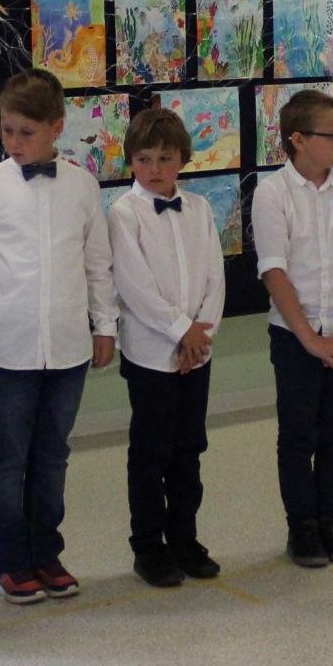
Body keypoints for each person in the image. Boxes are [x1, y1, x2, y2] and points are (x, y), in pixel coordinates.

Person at [0, 68, 117, 603]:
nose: (14, 142)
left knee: (52, 454)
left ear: (56, 128)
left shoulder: (82, 186)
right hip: (7, 347)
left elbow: (97, 263)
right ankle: (9, 563)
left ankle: (46, 553)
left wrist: (105, 324)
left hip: (67, 347)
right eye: (7, 130)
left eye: (26, 132)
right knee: (8, 455)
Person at [253, 89, 333, 568]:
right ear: (299, 140)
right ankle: (302, 525)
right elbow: (274, 270)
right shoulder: (273, 193)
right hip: (295, 336)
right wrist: (310, 338)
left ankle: (330, 518)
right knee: (298, 434)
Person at [108, 108, 226, 588]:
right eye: (143, 159)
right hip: (150, 353)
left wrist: (201, 335)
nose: (154, 168)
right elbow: (134, 286)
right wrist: (181, 331)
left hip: (197, 353)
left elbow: (215, 276)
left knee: (189, 449)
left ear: (183, 159)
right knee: (151, 452)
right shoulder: (124, 213)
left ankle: (184, 538)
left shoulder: (199, 209)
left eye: (164, 158)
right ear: (131, 161)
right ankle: (148, 545)